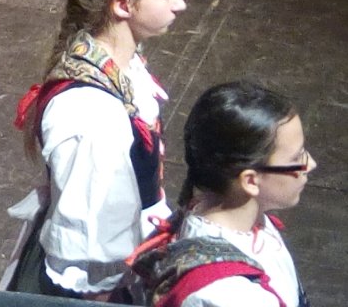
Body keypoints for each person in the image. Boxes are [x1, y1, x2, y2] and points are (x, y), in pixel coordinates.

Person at [7, 0, 188, 301]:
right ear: (123, 5)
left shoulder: (119, 64)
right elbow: (91, 246)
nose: (180, 4)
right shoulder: (91, 116)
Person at [130, 81, 313, 307]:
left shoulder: (247, 221)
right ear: (250, 181)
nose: (311, 164)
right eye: (297, 158)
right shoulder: (229, 296)